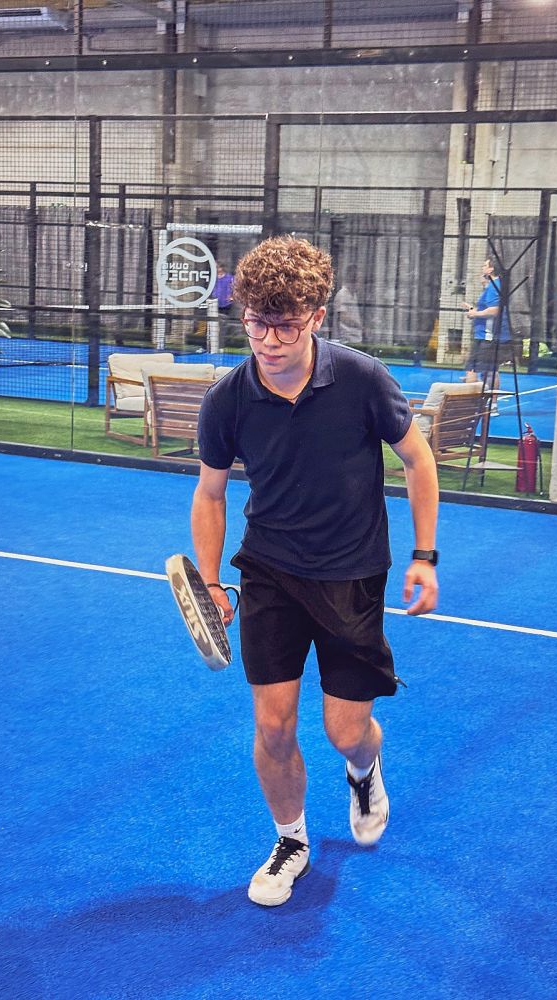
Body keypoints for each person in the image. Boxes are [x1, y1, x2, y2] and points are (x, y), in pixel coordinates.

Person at [191, 236, 439, 907]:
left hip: (352, 574)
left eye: (286, 325)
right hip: (269, 571)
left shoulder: (362, 379)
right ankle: (291, 841)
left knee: (344, 731)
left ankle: (364, 768)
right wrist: (210, 581)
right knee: (273, 726)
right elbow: (210, 494)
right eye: (256, 324)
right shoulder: (227, 399)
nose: (269, 341)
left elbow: (418, 460)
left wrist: (424, 556)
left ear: (316, 316)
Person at [462, 257, 513, 396]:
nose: (482, 268)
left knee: (472, 369)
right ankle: (492, 403)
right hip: (489, 335)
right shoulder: (497, 285)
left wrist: (475, 313)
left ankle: (470, 401)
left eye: (485, 265)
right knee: (491, 370)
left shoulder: (493, 287)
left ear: (491, 269)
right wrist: (472, 310)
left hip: (486, 336)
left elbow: (494, 310)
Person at [332, 266, 364, 344]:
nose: (361, 283)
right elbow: (343, 316)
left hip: (355, 337)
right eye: (359, 280)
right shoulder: (342, 294)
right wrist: (359, 325)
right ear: (353, 280)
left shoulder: (353, 295)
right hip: (346, 339)